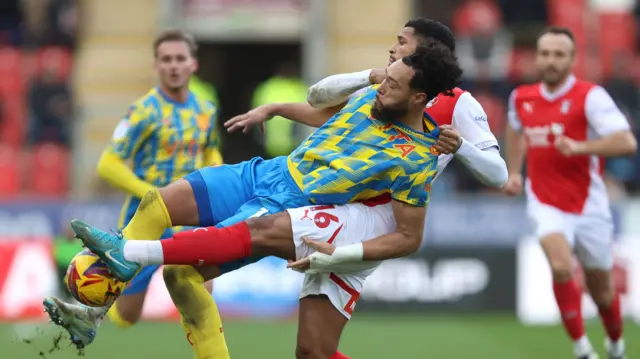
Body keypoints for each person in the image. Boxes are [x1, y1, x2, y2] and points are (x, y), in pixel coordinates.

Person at [67, 42, 461, 359]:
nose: (384, 85)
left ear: (418, 97)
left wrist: (342, 254)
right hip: (268, 170)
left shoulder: (416, 159)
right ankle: (95, 313)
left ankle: (128, 255)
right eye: (386, 76)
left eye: (394, 84)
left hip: (293, 201)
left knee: (180, 275)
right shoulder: (372, 96)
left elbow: (409, 236)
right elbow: (317, 107)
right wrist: (273, 109)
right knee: (158, 202)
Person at [43, 28, 223, 347]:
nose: (173, 65)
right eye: (166, 59)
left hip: (189, 219)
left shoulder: (205, 109)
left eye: (180, 58)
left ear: (193, 64)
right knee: (127, 317)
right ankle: (88, 315)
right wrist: (153, 195)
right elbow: (108, 164)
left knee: (199, 296)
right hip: (146, 221)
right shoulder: (144, 111)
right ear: (157, 66)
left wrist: (218, 178)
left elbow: (209, 151)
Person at [503, 27, 636, 359]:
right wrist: (515, 172)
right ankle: (581, 348)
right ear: (537, 57)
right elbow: (515, 127)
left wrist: (581, 147)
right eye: (545, 53)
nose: (550, 60)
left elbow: (626, 142)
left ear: (573, 60)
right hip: (544, 200)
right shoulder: (522, 97)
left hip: (589, 204)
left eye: (559, 54)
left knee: (602, 290)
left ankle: (616, 343)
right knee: (561, 267)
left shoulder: (590, 96)